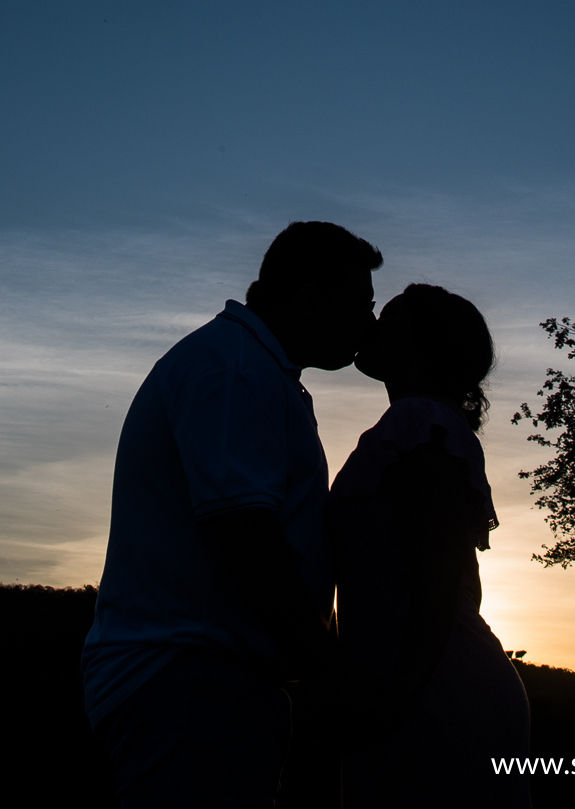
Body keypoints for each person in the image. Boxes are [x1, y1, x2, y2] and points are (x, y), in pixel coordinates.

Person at [82, 220, 382, 809]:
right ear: (307, 297)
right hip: (190, 678)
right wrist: (329, 672)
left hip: (202, 681)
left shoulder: (250, 368)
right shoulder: (235, 370)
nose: (366, 326)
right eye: (357, 306)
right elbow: (246, 534)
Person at [328, 283, 531, 808]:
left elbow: (441, 579)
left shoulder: (422, 425)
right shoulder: (421, 426)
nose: (371, 328)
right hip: (414, 683)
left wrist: (394, 701)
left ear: (421, 346)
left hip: (427, 692)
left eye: (388, 320)